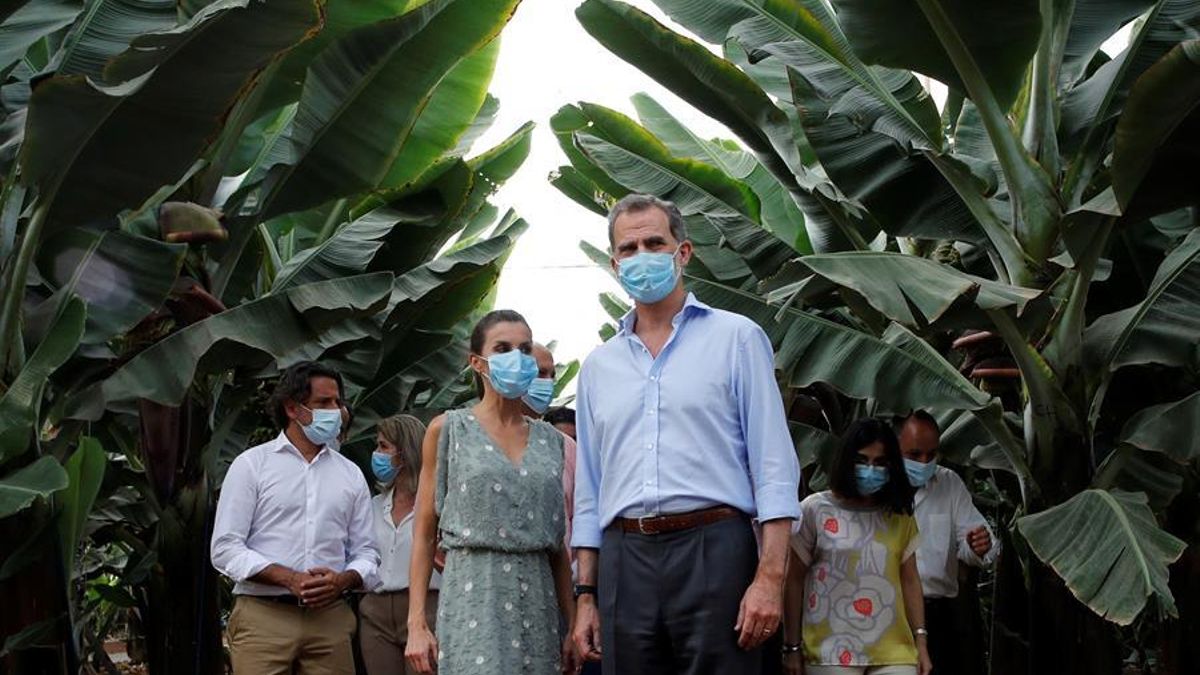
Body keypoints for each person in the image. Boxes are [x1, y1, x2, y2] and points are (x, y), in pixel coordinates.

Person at [571, 194, 801, 674]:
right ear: (614, 263)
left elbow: (774, 466)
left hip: (715, 548)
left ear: (684, 252)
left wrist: (770, 577)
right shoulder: (598, 367)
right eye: (628, 249)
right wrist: (586, 596)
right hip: (623, 557)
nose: (642, 256)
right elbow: (591, 490)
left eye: (655, 242)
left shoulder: (737, 339)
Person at [406, 310, 578, 675]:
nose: (516, 357)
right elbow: (423, 534)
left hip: (539, 601)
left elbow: (558, 545)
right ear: (477, 362)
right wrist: (416, 624)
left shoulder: (552, 442)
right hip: (473, 596)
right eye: (502, 348)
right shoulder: (447, 429)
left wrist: (572, 623)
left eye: (524, 348)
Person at [211, 361, 379, 675]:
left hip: (330, 619)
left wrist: (343, 580)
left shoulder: (350, 474)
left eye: (337, 402)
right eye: (323, 403)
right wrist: (290, 579)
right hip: (263, 617)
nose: (335, 410)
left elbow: (367, 553)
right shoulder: (252, 466)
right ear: (292, 408)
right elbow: (225, 549)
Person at [783, 418, 932, 675]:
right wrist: (791, 647)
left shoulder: (899, 516)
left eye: (880, 462)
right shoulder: (815, 510)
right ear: (846, 460)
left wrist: (921, 642)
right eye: (862, 460)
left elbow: (910, 581)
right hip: (828, 650)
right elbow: (793, 580)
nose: (871, 469)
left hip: (894, 650)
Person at [899, 411, 999, 675]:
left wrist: (980, 546)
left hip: (938, 614)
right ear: (897, 448)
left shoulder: (948, 483)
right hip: (890, 613)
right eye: (914, 455)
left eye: (931, 455)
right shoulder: (879, 487)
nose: (924, 462)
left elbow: (974, 542)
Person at [359, 414, 442, 675]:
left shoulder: (437, 505)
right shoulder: (373, 505)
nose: (377, 454)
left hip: (427, 608)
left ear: (405, 453)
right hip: (375, 611)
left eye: (384, 446)